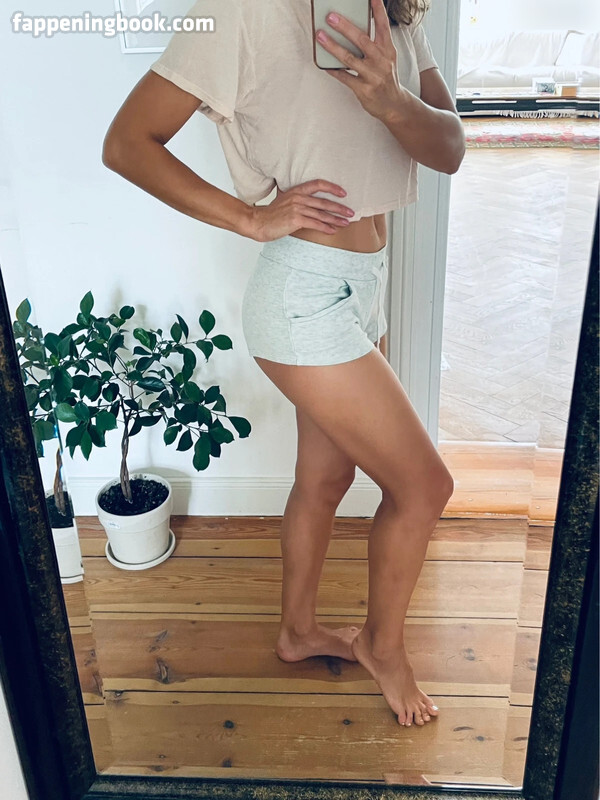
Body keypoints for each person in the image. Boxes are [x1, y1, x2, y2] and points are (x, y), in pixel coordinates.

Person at [102, 0, 465, 728]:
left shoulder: (394, 11)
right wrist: (251, 218)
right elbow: (127, 143)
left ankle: (297, 634)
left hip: (364, 285)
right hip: (303, 294)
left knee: (325, 480)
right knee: (425, 487)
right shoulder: (242, 11)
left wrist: (390, 99)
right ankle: (384, 649)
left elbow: (450, 147)